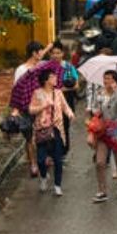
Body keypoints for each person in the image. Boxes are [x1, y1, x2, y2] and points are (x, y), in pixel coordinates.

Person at [10, 42, 62, 177]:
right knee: (29, 137)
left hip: (42, 107)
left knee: (44, 133)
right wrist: (16, 109)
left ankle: (43, 157)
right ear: (34, 53)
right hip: (26, 107)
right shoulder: (21, 70)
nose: (42, 53)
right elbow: (16, 90)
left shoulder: (41, 67)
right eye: (40, 51)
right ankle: (33, 163)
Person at [87, 68, 117, 202]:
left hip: (116, 131)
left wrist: (115, 91)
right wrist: (96, 112)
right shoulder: (99, 93)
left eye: (110, 79)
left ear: (116, 81)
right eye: (105, 78)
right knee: (100, 162)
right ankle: (102, 191)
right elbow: (94, 110)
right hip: (102, 131)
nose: (106, 81)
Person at [29, 67, 72, 196]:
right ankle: (43, 177)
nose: (56, 79)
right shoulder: (37, 93)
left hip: (57, 129)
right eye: (53, 77)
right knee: (41, 159)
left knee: (58, 159)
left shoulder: (58, 92)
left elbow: (65, 106)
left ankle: (57, 185)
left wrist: (70, 114)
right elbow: (31, 110)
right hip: (42, 129)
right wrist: (44, 105)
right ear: (46, 80)